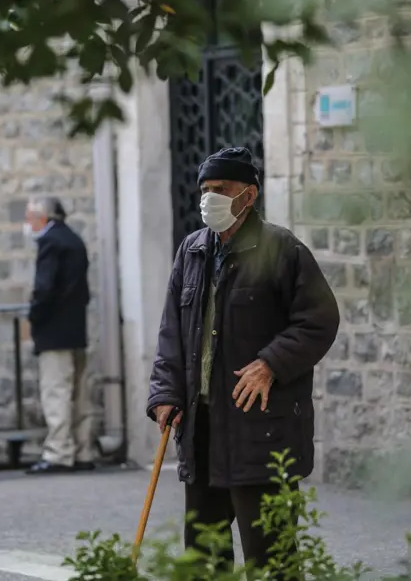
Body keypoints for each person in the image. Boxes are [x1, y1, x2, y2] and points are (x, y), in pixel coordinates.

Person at [146, 148, 340, 571]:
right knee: (203, 558)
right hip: (203, 431)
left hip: (261, 432)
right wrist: (164, 392)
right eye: (204, 190)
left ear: (248, 196)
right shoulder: (191, 251)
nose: (208, 198)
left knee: (271, 559)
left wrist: (271, 363)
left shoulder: (281, 249)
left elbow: (319, 320)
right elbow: (171, 335)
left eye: (220, 190)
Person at [23, 197, 94, 475]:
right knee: (79, 394)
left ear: (43, 217)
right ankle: (83, 450)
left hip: (54, 330)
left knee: (56, 393)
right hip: (76, 329)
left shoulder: (50, 242)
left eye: (30, 217)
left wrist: (35, 317)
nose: (28, 224)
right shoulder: (74, 240)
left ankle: (59, 453)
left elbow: (44, 289)